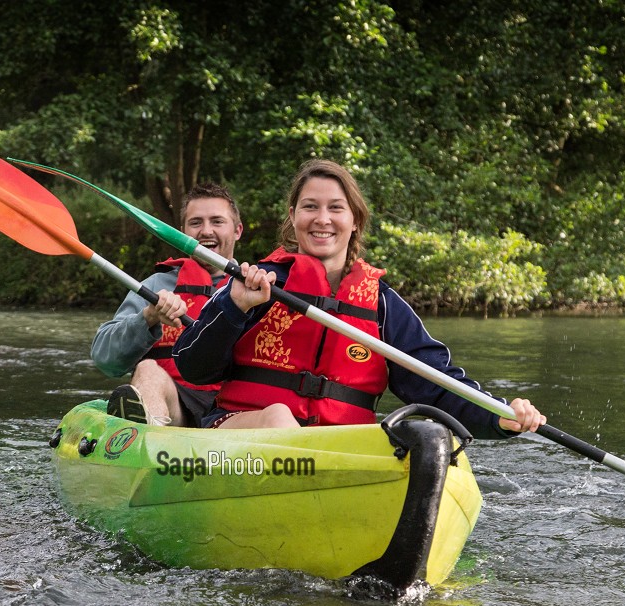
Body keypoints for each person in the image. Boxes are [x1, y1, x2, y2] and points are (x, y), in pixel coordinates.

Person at [172, 159, 547, 438]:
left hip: (336, 448)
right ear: (293, 216)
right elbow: (192, 366)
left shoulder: (383, 306)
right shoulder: (257, 284)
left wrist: (499, 415)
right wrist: (234, 307)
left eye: (336, 208)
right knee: (279, 418)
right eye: (310, 207)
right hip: (240, 435)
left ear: (355, 220)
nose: (322, 219)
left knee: (426, 440)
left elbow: (436, 385)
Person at [91, 182, 243, 426]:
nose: (206, 231)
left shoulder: (256, 289)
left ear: (237, 230)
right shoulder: (154, 286)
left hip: (233, 412)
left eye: (217, 221)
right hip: (173, 405)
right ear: (182, 232)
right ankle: (152, 440)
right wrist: (148, 317)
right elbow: (105, 359)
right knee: (149, 370)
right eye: (196, 223)